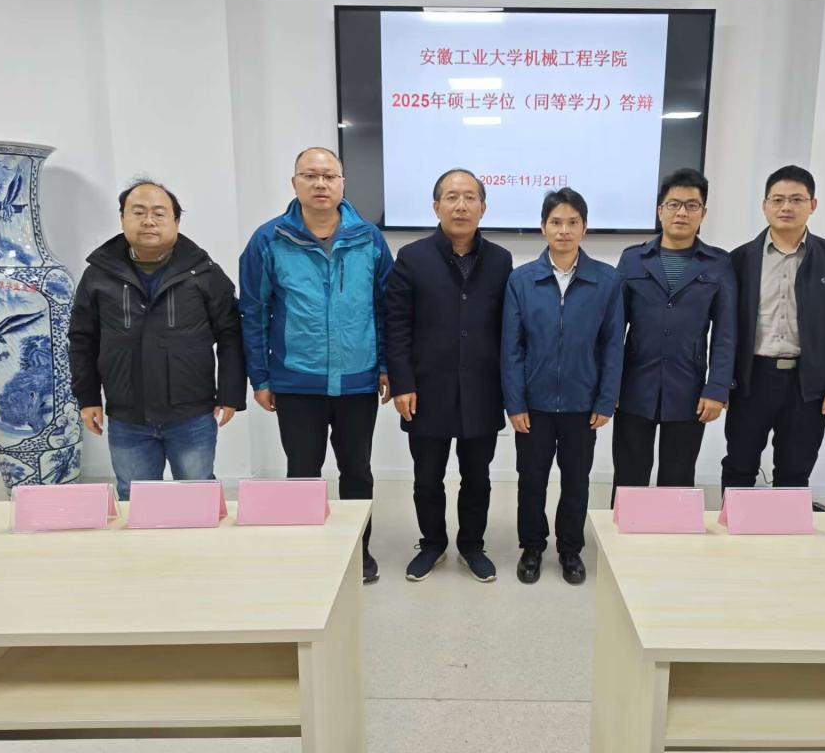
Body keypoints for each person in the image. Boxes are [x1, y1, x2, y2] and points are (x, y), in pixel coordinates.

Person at [239, 147, 393, 583]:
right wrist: (260, 376)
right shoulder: (269, 240)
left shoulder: (368, 239)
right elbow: (253, 312)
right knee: (303, 471)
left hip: (358, 380)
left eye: (329, 176)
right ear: (295, 184)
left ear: (343, 183)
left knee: (357, 471)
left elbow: (387, 307)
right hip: (296, 381)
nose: (320, 183)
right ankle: (305, 550)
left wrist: (386, 365)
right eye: (310, 175)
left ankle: (358, 551)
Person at [69, 179, 246, 500]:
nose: (148, 221)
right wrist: (88, 397)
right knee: (134, 499)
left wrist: (230, 393)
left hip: (191, 414)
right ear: (122, 218)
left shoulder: (204, 273)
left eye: (159, 213)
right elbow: (83, 339)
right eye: (138, 212)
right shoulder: (98, 275)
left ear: (176, 221)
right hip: (127, 416)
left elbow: (231, 335)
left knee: (198, 495)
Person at [385, 169, 512, 583]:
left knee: (478, 478)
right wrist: (402, 383)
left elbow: (507, 330)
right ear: (436, 206)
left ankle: (472, 545)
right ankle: (433, 543)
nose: (461, 206)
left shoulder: (500, 261)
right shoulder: (412, 257)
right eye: (452, 197)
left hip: (482, 389)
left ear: (483, 208)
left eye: (470, 197)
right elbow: (397, 325)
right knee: (427, 478)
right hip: (426, 389)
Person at [501, 187, 624, 585]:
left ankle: (570, 549)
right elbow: (512, 348)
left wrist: (606, 399)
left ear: (584, 227)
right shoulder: (521, 280)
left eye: (573, 222)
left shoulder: (606, 280)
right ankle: (532, 547)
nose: (564, 230)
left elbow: (612, 345)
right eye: (556, 222)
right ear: (543, 227)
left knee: (576, 482)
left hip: (581, 404)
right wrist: (515, 403)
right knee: (531, 480)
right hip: (534, 405)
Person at [721, 165, 825, 494]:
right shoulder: (739, 259)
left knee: (795, 471)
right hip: (752, 379)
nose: (786, 207)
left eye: (796, 199)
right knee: (739, 465)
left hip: (806, 384)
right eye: (778, 199)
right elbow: (725, 329)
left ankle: (786, 530)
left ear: (813, 205)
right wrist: (722, 383)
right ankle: (734, 527)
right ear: (764, 205)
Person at [612, 168, 736, 503]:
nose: (682, 212)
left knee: (678, 478)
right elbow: (614, 328)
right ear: (660, 210)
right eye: (674, 204)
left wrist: (717, 389)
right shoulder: (633, 259)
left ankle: (672, 537)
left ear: (703, 213)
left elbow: (726, 332)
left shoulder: (718, 264)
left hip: (689, 388)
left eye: (691, 205)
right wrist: (610, 386)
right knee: (629, 475)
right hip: (634, 386)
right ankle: (626, 537)